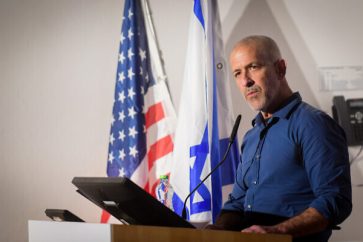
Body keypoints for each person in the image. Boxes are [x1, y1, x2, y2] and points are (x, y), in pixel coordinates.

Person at [207, 35, 352, 242]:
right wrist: (217, 229)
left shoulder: (314, 125)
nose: (246, 81)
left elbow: (335, 200)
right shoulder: (251, 136)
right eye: (238, 73)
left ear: (280, 69)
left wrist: (277, 232)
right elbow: (238, 203)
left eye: (254, 67)